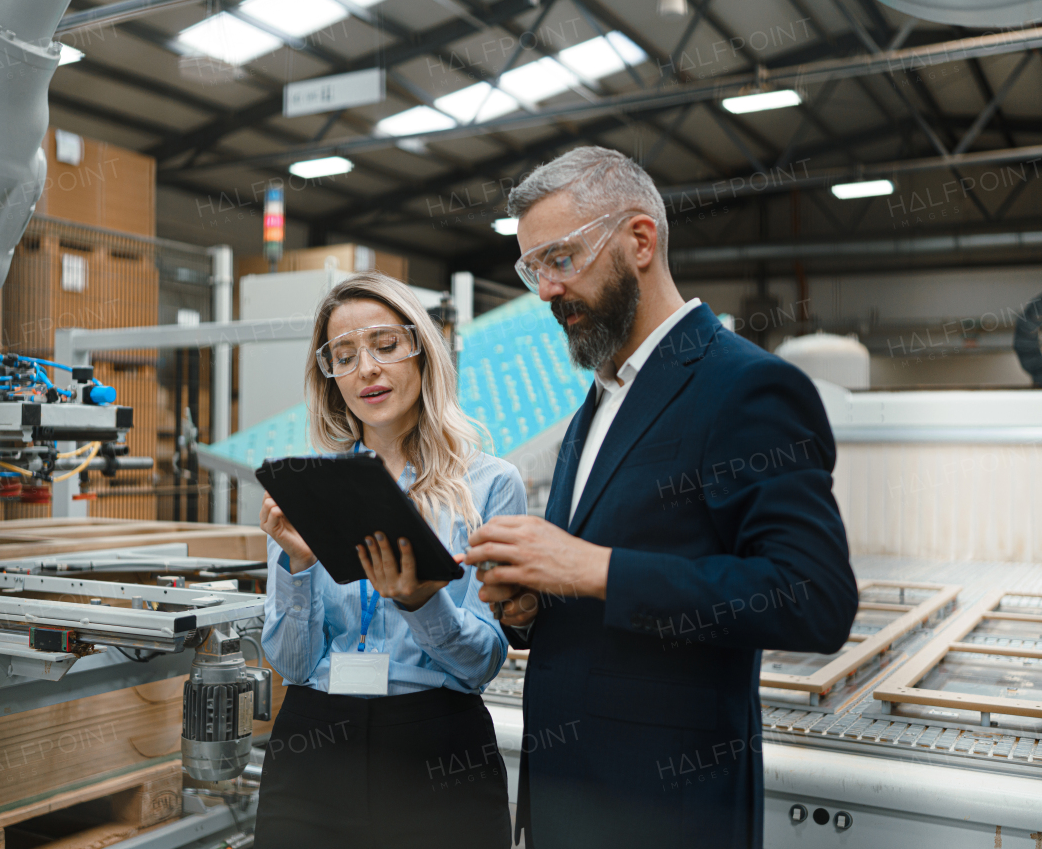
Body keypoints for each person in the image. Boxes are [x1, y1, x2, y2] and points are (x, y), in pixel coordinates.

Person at [467, 146, 858, 848]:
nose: (548, 290)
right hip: (569, 799)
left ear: (639, 241)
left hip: (669, 809)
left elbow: (812, 597)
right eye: (534, 269)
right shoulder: (598, 399)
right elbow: (596, 581)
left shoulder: (743, 387)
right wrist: (535, 603)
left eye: (561, 259)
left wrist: (594, 569)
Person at [254, 271, 525, 849]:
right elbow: (293, 666)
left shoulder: (489, 485)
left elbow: (481, 664)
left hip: (437, 748)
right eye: (344, 356)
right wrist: (299, 566)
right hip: (313, 744)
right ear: (330, 379)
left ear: (421, 352)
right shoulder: (308, 488)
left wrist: (421, 601)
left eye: (384, 345)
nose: (366, 370)